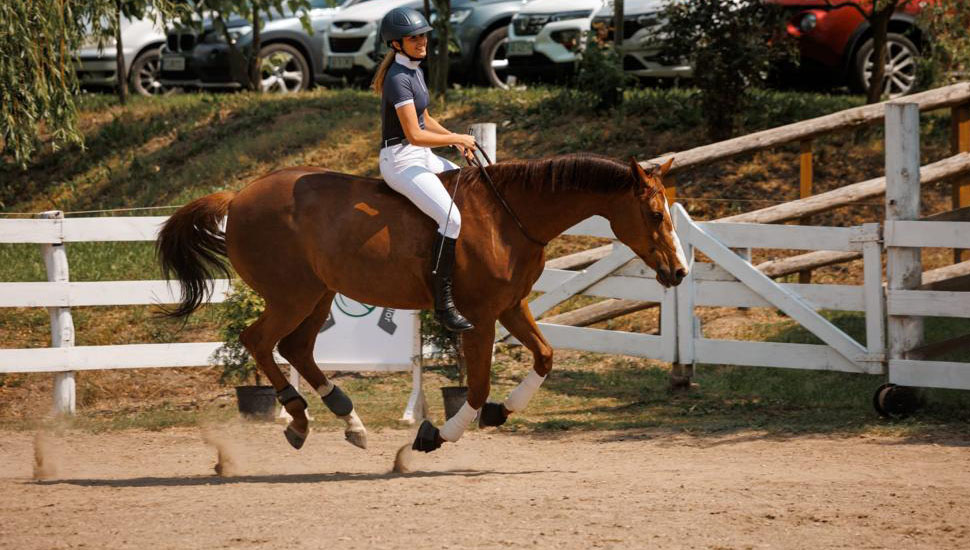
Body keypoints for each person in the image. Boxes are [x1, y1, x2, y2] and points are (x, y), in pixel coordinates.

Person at [372, 6, 477, 333]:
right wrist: (456, 138)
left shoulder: (414, 69)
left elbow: (425, 119)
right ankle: (443, 303)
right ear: (395, 44)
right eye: (413, 37)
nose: (421, 41)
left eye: (423, 35)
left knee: (471, 182)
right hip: (400, 159)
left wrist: (453, 139)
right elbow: (414, 135)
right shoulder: (398, 78)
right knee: (451, 217)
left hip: (420, 155)